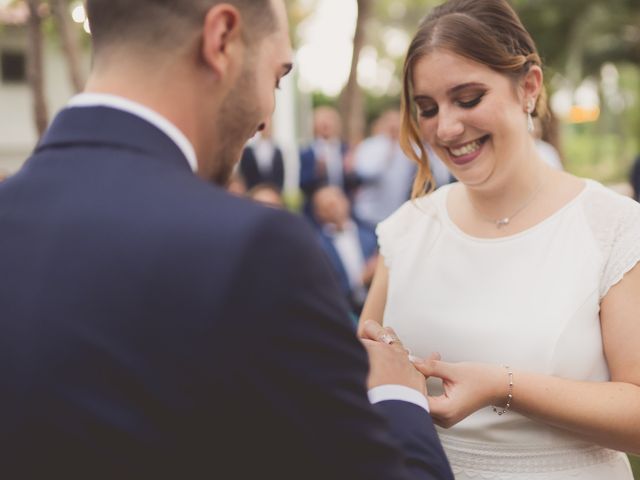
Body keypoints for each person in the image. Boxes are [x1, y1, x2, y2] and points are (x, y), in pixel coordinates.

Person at [0, 0, 453, 478]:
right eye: (277, 77)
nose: (265, 117)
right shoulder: (255, 249)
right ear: (221, 39)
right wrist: (397, 395)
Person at [360, 0, 640, 478]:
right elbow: (367, 371)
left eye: (467, 99)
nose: (446, 128)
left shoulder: (612, 226)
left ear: (528, 87)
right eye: (427, 109)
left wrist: (501, 386)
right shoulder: (407, 228)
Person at [312, 185, 378, 317]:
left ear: (346, 201)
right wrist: (360, 282)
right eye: (327, 206)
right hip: (344, 312)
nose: (333, 209)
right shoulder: (316, 246)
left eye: (335, 202)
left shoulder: (372, 233)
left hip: (377, 305)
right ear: (318, 213)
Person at [353, 109, 417, 225]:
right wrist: (387, 153)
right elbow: (365, 174)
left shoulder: (409, 147)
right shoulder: (369, 145)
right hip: (369, 215)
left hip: (398, 215)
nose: (393, 125)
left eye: (397, 121)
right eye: (389, 121)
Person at [299, 106, 359, 212]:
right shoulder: (307, 152)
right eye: (322, 121)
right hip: (316, 211)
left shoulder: (346, 150)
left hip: (343, 209)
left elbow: (355, 183)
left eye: (330, 120)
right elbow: (303, 184)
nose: (326, 124)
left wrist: (351, 171)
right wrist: (318, 171)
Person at [239, 117, 285, 192]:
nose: (267, 129)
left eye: (270, 126)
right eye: (265, 126)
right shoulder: (248, 151)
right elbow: (244, 175)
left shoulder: (278, 151)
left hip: (273, 194)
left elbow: (281, 176)